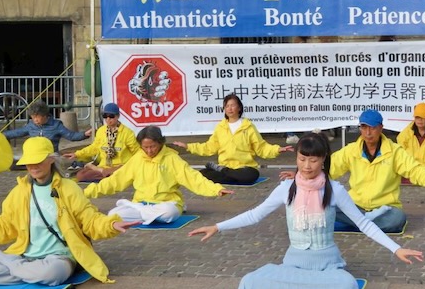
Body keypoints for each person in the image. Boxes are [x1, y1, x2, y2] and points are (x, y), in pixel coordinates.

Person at [188, 133, 424, 289]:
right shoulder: (286, 188)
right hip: (293, 264)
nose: (307, 165)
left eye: (313, 160)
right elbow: (255, 214)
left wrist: (397, 249)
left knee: (346, 286)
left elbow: (363, 224)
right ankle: (303, 285)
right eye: (302, 159)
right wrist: (217, 226)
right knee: (250, 282)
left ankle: (319, 285)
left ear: (323, 161)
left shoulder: (335, 190)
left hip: (327, 265)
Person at [0, 137, 139, 286]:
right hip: (25, 255)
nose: (33, 166)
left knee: (53, 274)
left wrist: (111, 224)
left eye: (38, 160)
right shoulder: (19, 193)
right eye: (29, 162)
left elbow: (90, 220)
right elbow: (3, 226)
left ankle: (10, 265)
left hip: (58, 258)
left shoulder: (68, 189)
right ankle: (20, 268)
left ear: (51, 159)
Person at [329, 109, 425, 233]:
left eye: (372, 128)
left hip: (384, 208)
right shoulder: (351, 150)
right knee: (326, 206)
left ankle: (359, 222)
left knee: (397, 219)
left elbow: (414, 169)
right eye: (364, 127)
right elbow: (331, 166)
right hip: (356, 205)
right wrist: (310, 176)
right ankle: (365, 221)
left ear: (381, 128)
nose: (368, 133)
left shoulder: (394, 151)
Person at [84, 126, 233, 225]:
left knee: (169, 213)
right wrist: (87, 192)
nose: (149, 151)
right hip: (141, 204)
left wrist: (216, 189)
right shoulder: (137, 159)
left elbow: (192, 177)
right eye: (145, 147)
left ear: (160, 143)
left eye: (152, 146)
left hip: (166, 204)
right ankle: (148, 215)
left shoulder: (171, 158)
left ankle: (146, 215)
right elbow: (116, 180)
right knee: (113, 215)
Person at [172, 93, 293, 185]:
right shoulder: (221, 127)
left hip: (244, 168)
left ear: (239, 108)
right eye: (227, 106)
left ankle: (223, 172)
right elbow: (209, 147)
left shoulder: (248, 126)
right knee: (203, 174)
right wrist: (188, 146)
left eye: (232, 105)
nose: (230, 108)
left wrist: (278, 149)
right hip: (225, 165)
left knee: (252, 175)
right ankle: (225, 171)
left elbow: (261, 147)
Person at [62, 102, 139, 182]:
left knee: (121, 170)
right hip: (103, 167)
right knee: (81, 174)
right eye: (105, 116)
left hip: (120, 166)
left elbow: (137, 152)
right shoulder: (101, 131)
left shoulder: (127, 133)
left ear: (118, 116)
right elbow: (94, 148)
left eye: (111, 116)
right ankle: (110, 175)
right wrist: (76, 154)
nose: (108, 119)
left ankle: (114, 175)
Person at [0, 100, 92, 153]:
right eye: (33, 117)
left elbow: (71, 136)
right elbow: (16, 133)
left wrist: (85, 134)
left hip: (51, 155)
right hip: (35, 154)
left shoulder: (56, 125)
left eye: (37, 117)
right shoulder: (31, 126)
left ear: (45, 116)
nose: (35, 120)